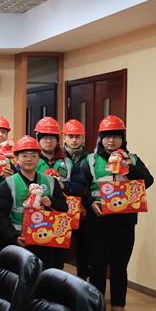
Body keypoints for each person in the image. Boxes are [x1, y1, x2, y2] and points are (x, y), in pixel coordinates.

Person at [75, 115, 153, 311]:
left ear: (122, 139)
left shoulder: (132, 158)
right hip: (98, 220)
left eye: (116, 136)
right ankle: (97, 304)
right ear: (100, 138)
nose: (112, 140)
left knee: (120, 265)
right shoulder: (90, 160)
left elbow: (148, 180)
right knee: (98, 264)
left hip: (125, 221)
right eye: (107, 136)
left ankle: (118, 305)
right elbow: (80, 186)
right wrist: (89, 204)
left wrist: (128, 165)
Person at [0, 135, 68, 270]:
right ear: (17, 159)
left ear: (39, 158)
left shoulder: (51, 181)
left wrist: (51, 202)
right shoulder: (8, 184)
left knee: (45, 276)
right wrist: (13, 238)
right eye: (24, 156)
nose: (29, 159)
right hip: (19, 241)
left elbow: (64, 208)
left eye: (33, 155)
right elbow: (2, 215)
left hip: (46, 240)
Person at [63, 119, 90, 280]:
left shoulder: (90, 158)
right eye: (70, 136)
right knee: (60, 247)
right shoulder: (58, 158)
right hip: (61, 209)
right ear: (64, 138)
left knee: (84, 249)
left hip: (84, 211)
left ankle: (82, 281)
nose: (74, 140)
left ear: (83, 138)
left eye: (77, 137)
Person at [33, 117, 73, 185]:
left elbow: (80, 185)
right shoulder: (31, 160)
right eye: (45, 138)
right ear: (38, 140)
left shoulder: (67, 161)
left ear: (57, 141)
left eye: (52, 138)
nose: (48, 141)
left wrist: (64, 186)